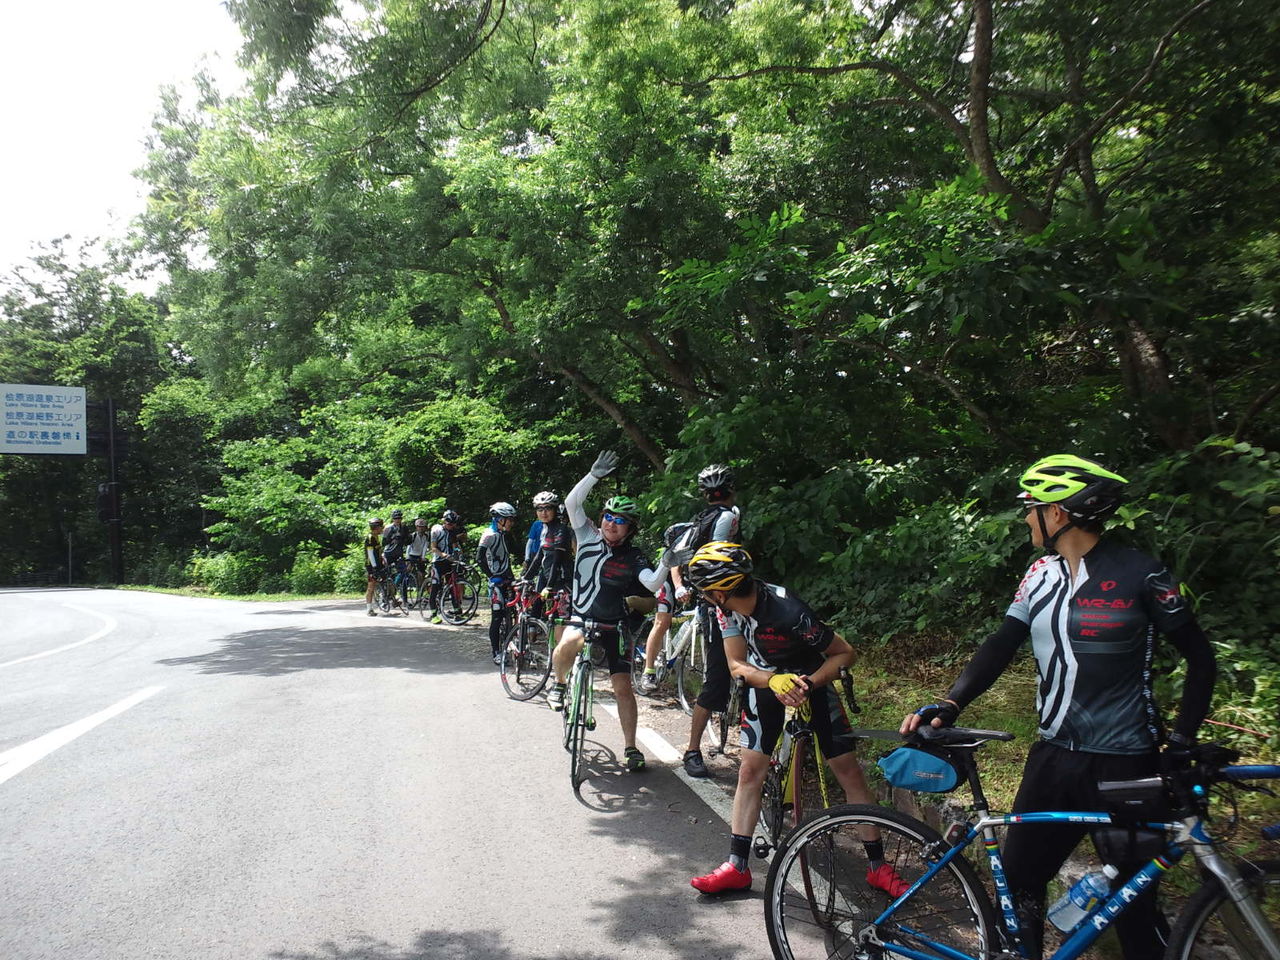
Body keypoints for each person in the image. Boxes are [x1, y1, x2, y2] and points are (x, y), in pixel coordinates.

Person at [900, 454, 1217, 960]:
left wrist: (1180, 741)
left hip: (1126, 762)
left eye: (1032, 508)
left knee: (1135, 905)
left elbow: (1201, 660)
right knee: (1019, 885)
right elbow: (1002, 644)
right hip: (1054, 758)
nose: (1027, 518)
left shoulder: (1143, 574)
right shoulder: (1039, 574)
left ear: (1058, 513)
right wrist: (951, 702)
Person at [685, 541, 885, 895]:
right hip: (765, 678)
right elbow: (736, 665)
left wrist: (810, 683)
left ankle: (878, 866)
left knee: (848, 770)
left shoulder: (789, 611)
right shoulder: (725, 609)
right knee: (750, 771)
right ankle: (737, 867)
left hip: (811, 677)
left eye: (705, 591)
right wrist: (774, 680)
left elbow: (845, 653)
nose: (704, 596)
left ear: (721, 591)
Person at [544, 450, 689, 773]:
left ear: (630, 529)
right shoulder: (586, 535)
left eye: (621, 521)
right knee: (570, 641)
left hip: (614, 624)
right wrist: (593, 476)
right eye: (609, 517)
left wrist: (666, 563)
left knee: (623, 687)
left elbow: (651, 584)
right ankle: (559, 683)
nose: (612, 523)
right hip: (582, 616)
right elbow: (571, 503)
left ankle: (630, 747)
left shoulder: (634, 557)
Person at [640, 464, 742, 779]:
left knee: (724, 677)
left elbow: (680, 557)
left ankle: (701, 748)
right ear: (731, 492)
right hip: (720, 605)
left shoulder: (699, 521)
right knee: (717, 679)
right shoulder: (726, 518)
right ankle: (692, 749)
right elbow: (716, 559)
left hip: (721, 602)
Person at [522, 490, 572, 624]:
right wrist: (525, 578)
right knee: (540, 613)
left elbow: (557, 560)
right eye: (540, 509)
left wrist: (549, 586)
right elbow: (539, 557)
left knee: (560, 622)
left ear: (555, 510)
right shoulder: (545, 529)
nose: (543, 512)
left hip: (561, 580)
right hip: (548, 576)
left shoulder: (561, 529)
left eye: (548, 508)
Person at [478, 501, 518, 664]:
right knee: (497, 617)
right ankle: (496, 651)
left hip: (507, 577)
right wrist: (491, 576)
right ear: (500, 519)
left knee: (514, 610)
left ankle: (511, 641)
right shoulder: (489, 535)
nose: (512, 523)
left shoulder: (504, 535)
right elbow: (480, 559)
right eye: (509, 520)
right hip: (495, 581)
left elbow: (509, 556)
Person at [426, 509, 464, 623]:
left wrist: (459, 553)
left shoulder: (452, 531)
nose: (450, 526)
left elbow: (455, 546)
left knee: (453, 586)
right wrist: (444, 555)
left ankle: (457, 612)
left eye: (453, 524)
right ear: (444, 521)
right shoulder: (436, 530)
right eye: (449, 524)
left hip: (449, 562)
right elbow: (433, 548)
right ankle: (433, 614)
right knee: (435, 586)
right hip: (438, 562)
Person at [381, 509, 408, 610]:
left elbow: (407, 540)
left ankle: (395, 589)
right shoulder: (388, 528)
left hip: (398, 553)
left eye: (399, 518)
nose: (397, 520)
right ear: (393, 519)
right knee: (386, 575)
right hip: (388, 553)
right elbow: (384, 542)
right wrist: (392, 538)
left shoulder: (404, 527)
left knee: (403, 572)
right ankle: (384, 599)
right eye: (395, 518)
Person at [363, 518, 385, 616]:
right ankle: (369, 609)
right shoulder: (370, 538)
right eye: (381, 527)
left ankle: (385, 600)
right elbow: (370, 553)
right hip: (371, 565)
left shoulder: (376, 537)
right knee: (371, 586)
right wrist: (374, 567)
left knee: (384, 580)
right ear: (376, 528)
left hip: (379, 563)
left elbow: (378, 551)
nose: (382, 528)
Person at [405, 517, 431, 594]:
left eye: (423, 527)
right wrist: (407, 558)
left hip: (419, 556)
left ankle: (420, 589)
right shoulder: (413, 535)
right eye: (419, 527)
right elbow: (409, 547)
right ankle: (404, 585)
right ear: (416, 527)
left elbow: (425, 547)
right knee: (407, 571)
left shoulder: (426, 536)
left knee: (421, 573)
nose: (421, 529)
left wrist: (423, 557)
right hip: (411, 555)